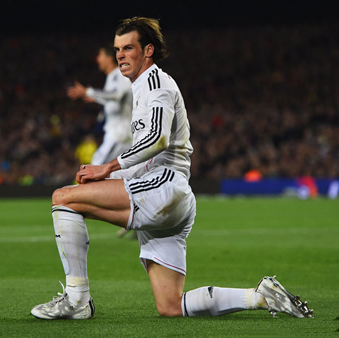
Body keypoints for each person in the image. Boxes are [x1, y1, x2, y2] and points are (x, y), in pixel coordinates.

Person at [31, 17, 313, 320]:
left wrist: (108, 167)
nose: (121, 55)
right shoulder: (141, 88)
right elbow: (148, 153)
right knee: (170, 305)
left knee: (63, 198)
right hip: (173, 201)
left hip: (164, 188)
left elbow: (158, 139)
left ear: (148, 50)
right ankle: (260, 296)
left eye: (128, 48)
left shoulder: (156, 83)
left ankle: (76, 300)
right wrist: (112, 174)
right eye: (117, 49)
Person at [67, 44, 133, 166]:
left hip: (119, 135)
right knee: (113, 175)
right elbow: (116, 101)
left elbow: (117, 95)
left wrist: (88, 92)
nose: (97, 59)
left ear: (109, 58)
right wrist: (96, 99)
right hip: (119, 135)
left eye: (100, 55)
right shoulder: (112, 77)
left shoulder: (120, 74)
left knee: (95, 167)